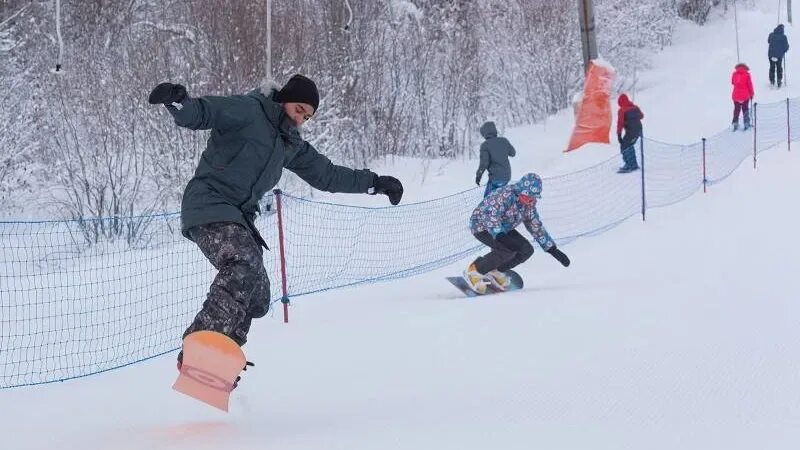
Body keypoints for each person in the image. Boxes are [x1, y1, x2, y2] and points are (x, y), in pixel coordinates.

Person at [148, 74, 404, 368]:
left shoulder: (289, 143)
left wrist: (374, 183)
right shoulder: (248, 110)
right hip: (209, 204)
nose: (300, 120)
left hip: (239, 219)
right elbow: (204, 112)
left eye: (306, 117)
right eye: (298, 110)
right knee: (243, 264)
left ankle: (219, 355)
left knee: (258, 295)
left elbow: (327, 175)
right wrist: (178, 102)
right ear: (284, 98)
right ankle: (201, 343)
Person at [463, 173, 570, 294]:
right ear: (521, 190)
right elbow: (489, 215)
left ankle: (494, 270)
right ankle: (475, 270)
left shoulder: (528, 205)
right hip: (482, 226)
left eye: (533, 198)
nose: (530, 200)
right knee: (507, 249)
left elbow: (535, 225)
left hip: (504, 229)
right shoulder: (504, 195)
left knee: (526, 250)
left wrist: (552, 249)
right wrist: (500, 236)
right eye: (528, 196)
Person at [475, 121, 516, 197]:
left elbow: (484, 163)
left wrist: (478, 176)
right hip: (506, 177)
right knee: (500, 198)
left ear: (484, 133)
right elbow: (513, 153)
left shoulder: (485, 145)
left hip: (495, 178)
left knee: (487, 200)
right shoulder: (504, 140)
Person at [616, 94, 644, 174]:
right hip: (638, 131)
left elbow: (620, 123)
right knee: (630, 146)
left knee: (624, 147)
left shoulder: (622, 110)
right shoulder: (635, 107)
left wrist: (619, 135)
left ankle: (629, 165)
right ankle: (633, 164)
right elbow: (642, 116)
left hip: (631, 132)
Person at [731, 63, 755, 131]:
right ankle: (746, 123)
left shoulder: (734, 74)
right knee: (745, 109)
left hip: (735, 96)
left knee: (736, 110)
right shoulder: (747, 75)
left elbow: (732, 82)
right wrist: (752, 94)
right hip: (745, 96)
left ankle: (735, 123)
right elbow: (750, 85)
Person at [768, 24, 790, 88]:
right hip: (779, 55)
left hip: (771, 54)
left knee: (772, 67)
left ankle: (772, 81)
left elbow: (769, 41)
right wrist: (785, 50)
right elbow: (786, 46)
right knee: (779, 67)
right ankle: (779, 81)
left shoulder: (771, 34)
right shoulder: (783, 37)